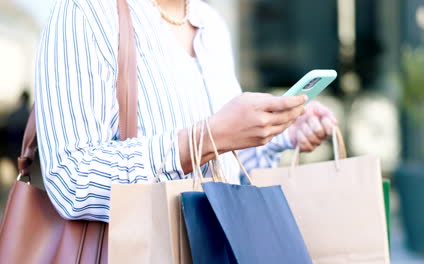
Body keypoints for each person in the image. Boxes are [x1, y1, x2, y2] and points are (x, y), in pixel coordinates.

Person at [35, 0, 337, 222]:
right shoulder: (86, 12)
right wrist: (204, 139)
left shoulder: (211, 23)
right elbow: (70, 178)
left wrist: (279, 133)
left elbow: (226, 170)